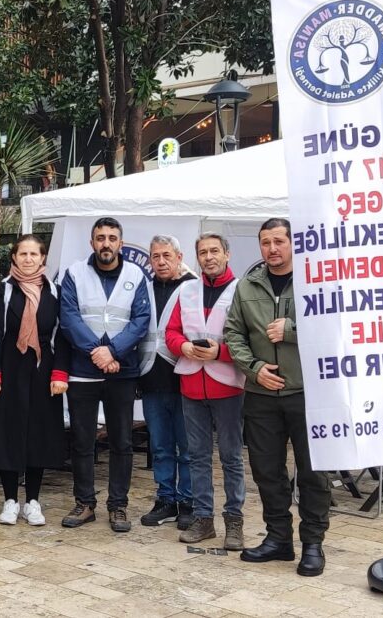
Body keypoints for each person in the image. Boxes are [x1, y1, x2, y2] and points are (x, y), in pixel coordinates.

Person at [225, 217, 330, 577]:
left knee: (314, 472)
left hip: (308, 392)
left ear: (293, 243)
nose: (272, 249)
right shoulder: (247, 284)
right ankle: (278, 539)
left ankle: (313, 544)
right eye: (266, 242)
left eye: (279, 241)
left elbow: (335, 328)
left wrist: (292, 330)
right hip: (261, 394)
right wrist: (254, 368)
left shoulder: (316, 280)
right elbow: (233, 333)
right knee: (267, 471)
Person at [58, 217, 151, 532]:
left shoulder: (136, 274)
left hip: (121, 371)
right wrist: (98, 353)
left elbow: (140, 320)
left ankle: (118, 506)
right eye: (100, 237)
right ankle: (85, 503)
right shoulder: (74, 273)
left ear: (121, 243)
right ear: (92, 242)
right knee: (83, 441)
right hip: (83, 371)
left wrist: (113, 352)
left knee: (122, 442)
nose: (106, 243)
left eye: (112, 237)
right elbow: (69, 318)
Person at [165, 232, 246, 551]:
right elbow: (169, 332)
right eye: (203, 252)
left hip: (227, 385)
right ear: (196, 257)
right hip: (191, 385)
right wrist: (183, 345)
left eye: (215, 251)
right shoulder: (187, 290)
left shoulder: (242, 290)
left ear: (227, 253)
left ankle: (234, 521)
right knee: (196, 456)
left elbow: (251, 338)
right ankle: (203, 519)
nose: (209, 257)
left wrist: (221, 353)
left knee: (231, 457)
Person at [0, 235, 70, 526]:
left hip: (43, 371)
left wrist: (59, 373)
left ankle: (32, 500)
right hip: (9, 369)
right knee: (9, 433)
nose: (29, 259)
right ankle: (9, 500)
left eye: (34, 254)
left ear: (43, 259)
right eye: (23, 254)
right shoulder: (3, 291)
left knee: (37, 435)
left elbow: (63, 336)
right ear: (14, 258)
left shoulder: (55, 292)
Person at [138, 235, 196, 530]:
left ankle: (187, 501)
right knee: (160, 448)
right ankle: (165, 500)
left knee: (186, 449)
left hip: (183, 378)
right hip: (151, 379)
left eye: (166, 256)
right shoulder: (143, 289)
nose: (161, 261)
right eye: (155, 256)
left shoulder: (192, 288)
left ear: (179, 256)